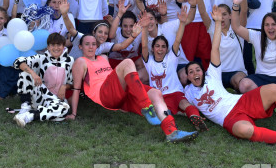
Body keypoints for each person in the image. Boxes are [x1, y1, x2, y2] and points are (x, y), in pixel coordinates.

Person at [183, 5, 276, 146]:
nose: (195, 73)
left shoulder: (212, 76)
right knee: (243, 130)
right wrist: (193, 114)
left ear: (203, 71)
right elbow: (183, 105)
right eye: (191, 72)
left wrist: (218, 22)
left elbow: (215, 48)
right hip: (228, 118)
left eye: (197, 70)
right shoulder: (188, 92)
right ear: (187, 77)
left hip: (240, 102)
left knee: (275, 89)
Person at [67, 34, 199, 143]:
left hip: (118, 93)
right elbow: (77, 89)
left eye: (93, 44)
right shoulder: (81, 62)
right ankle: (147, 107)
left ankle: (171, 131)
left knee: (155, 93)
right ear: (80, 46)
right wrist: (73, 113)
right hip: (104, 94)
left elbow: (115, 79)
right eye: (87, 44)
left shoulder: (104, 57)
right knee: (128, 62)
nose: (91, 47)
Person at [141, 4, 208, 132]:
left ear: (167, 49)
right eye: (157, 46)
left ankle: (196, 118)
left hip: (176, 92)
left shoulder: (171, 58)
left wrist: (182, 23)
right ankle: (172, 121)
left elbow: (177, 40)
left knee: (185, 104)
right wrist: (144, 28)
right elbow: (144, 46)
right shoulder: (148, 61)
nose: (160, 49)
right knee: (165, 111)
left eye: (163, 47)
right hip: (160, 97)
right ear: (153, 48)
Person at [12, 33, 74, 127]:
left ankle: (29, 116)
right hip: (40, 94)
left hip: (55, 99)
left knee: (64, 109)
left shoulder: (70, 60)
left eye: (59, 45)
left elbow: (72, 83)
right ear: (48, 47)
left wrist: (65, 86)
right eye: (53, 45)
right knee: (25, 73)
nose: (56, 48)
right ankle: (25, 107)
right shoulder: (41, 58)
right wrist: (33, 73)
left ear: (63, 46)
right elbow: (18, 62)